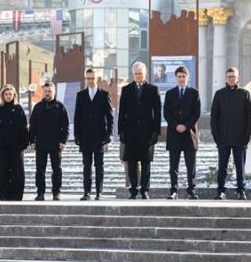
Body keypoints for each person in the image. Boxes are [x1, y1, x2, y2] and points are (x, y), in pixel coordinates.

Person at [118, 62, 161, 199]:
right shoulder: (126, 90)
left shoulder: (153, 89)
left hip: (147, 132)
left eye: (140, 73)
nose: (138, 76)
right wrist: (121, 131)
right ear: (133, 75)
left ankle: (144, 190)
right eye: (136, 74)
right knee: (131, 162)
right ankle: (133, 190)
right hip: (130, 132)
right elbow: (121, 113)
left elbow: (157, 112)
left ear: (145, 74)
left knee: (146, 162)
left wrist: (156, 132)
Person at [210, 67, 251, 200]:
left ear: (237, 78)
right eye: (229, 76)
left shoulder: (244, 94)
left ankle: (241, 191)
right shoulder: (219, 94)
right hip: (223, 137)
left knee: (240, 167)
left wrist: (247, 135)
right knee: (222, 166)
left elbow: (250, 116)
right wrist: (216, 136)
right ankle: (221, 191)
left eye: (233, 77)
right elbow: (214, 117)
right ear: (225, 78)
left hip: (240, 138)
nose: (231, 79)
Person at [74, 68, 113, 200]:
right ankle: (87, 192)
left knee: (99, 165)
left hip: (99, 137)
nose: (90, 80)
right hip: (85, 137)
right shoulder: (80, 95)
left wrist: (108, 134)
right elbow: (77, 116)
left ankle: (98, 192)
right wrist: (77, 135)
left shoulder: (104, 94)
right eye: (88, 78)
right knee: (86, 166)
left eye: (92, 78)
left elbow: (110, 116)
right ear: (85, 79)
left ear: (97, 79)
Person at [0, 84, 29, 201]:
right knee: (2, 171)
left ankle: (16, 195)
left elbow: (24, 127)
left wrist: (25, 143)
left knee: (17, 172)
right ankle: (4, 195)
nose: (8, 96)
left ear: (14, 95)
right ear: (2, 95)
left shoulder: (18, 109)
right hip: (2, 146)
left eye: (10, 94)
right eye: (6, 94)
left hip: (16, 146)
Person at [163, 66, 201, 200]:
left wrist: (185, 125)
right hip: (174, 134)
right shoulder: (170, 93)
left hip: (189, 134)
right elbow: (166, 113)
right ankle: (173, 190)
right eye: (179, 76)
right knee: (173, 165)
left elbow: (197, 113)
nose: (181, 79)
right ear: (176, 78)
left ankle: (191, 190)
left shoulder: (194, 93)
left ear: (187, 77)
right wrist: (176, 125)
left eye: (183, 76)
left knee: (191, 165)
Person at [29, 82, 70, 201]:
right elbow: (32, 126)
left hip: (56, 144)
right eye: (45, 91)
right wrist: (32, 140)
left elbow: (65, 126)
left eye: (50, 91)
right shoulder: (38, 107)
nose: (47, 94)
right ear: (43, 92)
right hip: (40, 143)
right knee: (40, 170)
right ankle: (40, 193)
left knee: (56, 169)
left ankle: (56, 193)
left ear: (54, 92)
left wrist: (63, 141)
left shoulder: (60, 107)